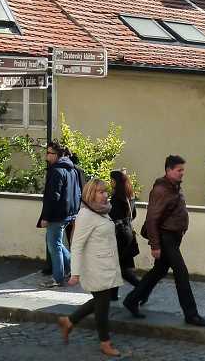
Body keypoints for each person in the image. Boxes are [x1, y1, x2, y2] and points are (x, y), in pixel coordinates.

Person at [122, 154, 205, 327]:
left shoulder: (174, 187)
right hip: (166, 237)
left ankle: (132, 300)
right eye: (179, 170)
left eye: (183, 170)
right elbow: (152, 219)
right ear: (168, 170)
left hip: (174, 237)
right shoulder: (161, 190)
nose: (182, 173)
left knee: (159, 271)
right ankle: (191, 315)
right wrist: (155, 246)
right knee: (181, 274)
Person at [58, 179, 123, 358]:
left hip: (106, 265)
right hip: (95, 267)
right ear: (90, 194)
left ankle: (69, 321)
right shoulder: (86, 215)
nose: (105, 195)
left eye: (105, 191)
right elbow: (77, 245)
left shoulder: (102, 211)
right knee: (103, 304)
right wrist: (75, 272)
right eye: (100, 192)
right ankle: (105, 342)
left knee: (101, 301)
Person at [39, 140, 81, 287]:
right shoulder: (71, 169)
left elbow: (53, 196)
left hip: (57, 215)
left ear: (57, 155)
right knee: (56, 243)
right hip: (68, 213)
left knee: (54, 245)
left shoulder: (56, 170)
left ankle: (58, 278)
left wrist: (45, 217)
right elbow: (77, 192)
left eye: (49, 153)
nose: (46, 156)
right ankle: (73, 269)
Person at [109, 169, 140, 290]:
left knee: (120, 268)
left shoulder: (117, 198)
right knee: (118, 266)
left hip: (119, 234)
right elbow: (134, 214)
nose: (110, 183)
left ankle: (142, 289)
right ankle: (113, 294)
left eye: (111, 180)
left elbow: (113, 216)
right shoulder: (130, 196)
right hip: (128, 231)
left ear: (116, 181)